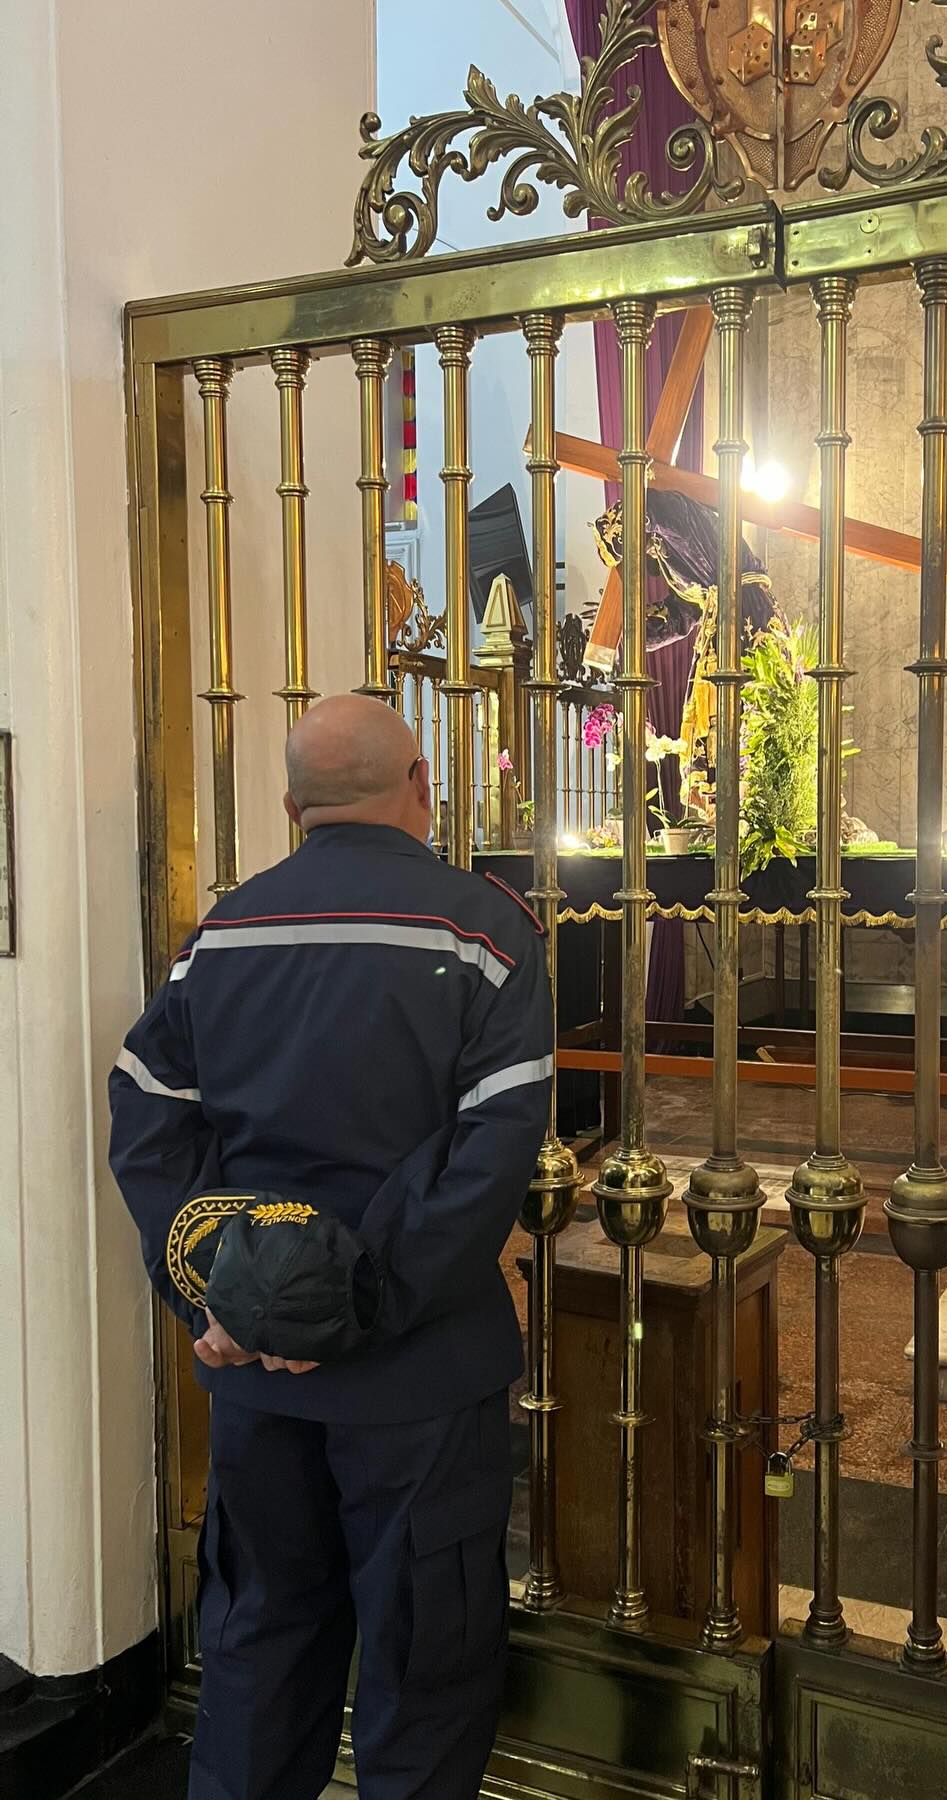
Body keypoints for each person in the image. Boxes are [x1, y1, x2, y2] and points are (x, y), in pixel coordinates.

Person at [109, 694, 552, 1800]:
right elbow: (492, 1155)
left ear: (290, 805)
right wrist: (359, 1304)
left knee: (259, 1644)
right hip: (419, 1381)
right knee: (424, 1663)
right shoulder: (485, 933)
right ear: (421, 787)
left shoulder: (224, 934)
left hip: (257, 1379)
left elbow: (146, 1116)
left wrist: (225, 1297)